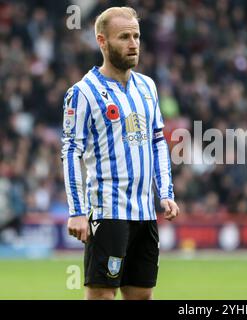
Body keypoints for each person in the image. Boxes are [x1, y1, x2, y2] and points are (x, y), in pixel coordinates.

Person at [61, 7, 179, 300]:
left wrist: (164, 192)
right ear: (102, 42)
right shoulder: (83, 93)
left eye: (136, 36)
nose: (133, 43)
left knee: (141, 295)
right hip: (108, 212)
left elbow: (157, 141)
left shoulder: (148, 87)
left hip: (145, 213)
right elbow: (71, 150)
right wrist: (77, 211)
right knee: (102, 295)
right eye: (124, 36)